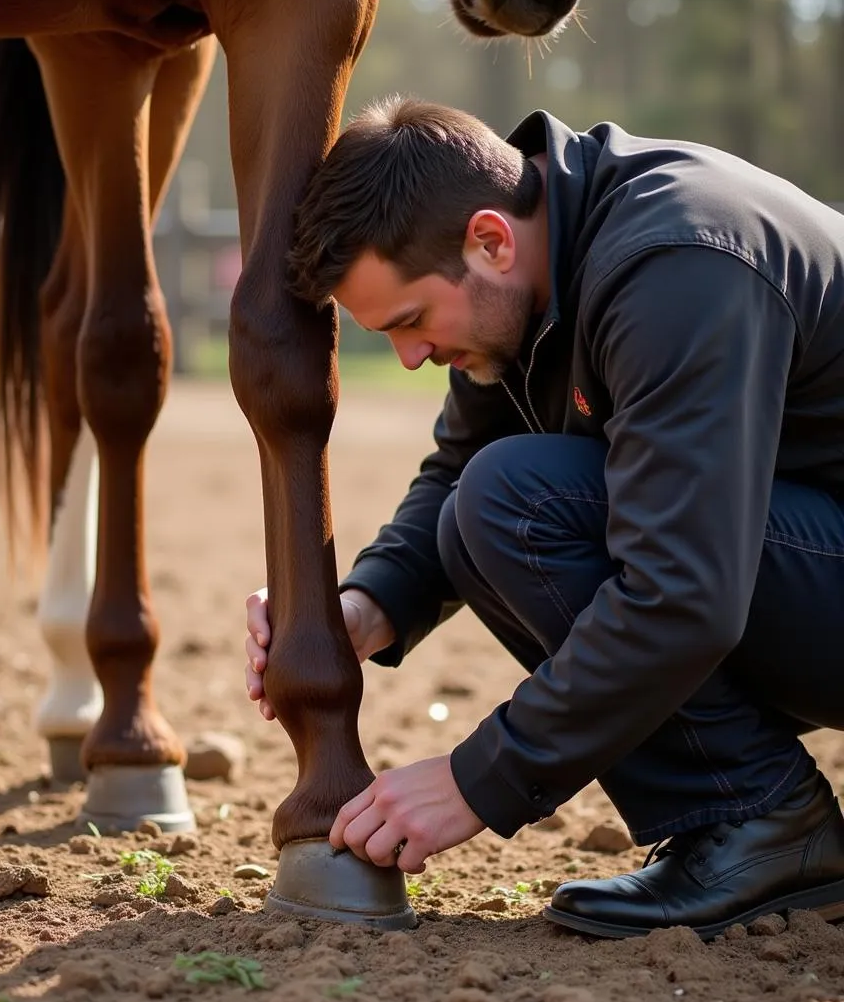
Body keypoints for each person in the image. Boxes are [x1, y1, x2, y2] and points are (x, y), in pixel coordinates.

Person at [243, 95, 844, 940]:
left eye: (412, 322)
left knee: (518, 501)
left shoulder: (675, 263)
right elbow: (455, 472)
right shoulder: (528, 268)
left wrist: (476, 780)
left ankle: (762, 821)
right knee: (482, 504)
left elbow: (683, 593)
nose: (411, 357)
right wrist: (363, 608)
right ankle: (754, 821)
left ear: (489, 239)